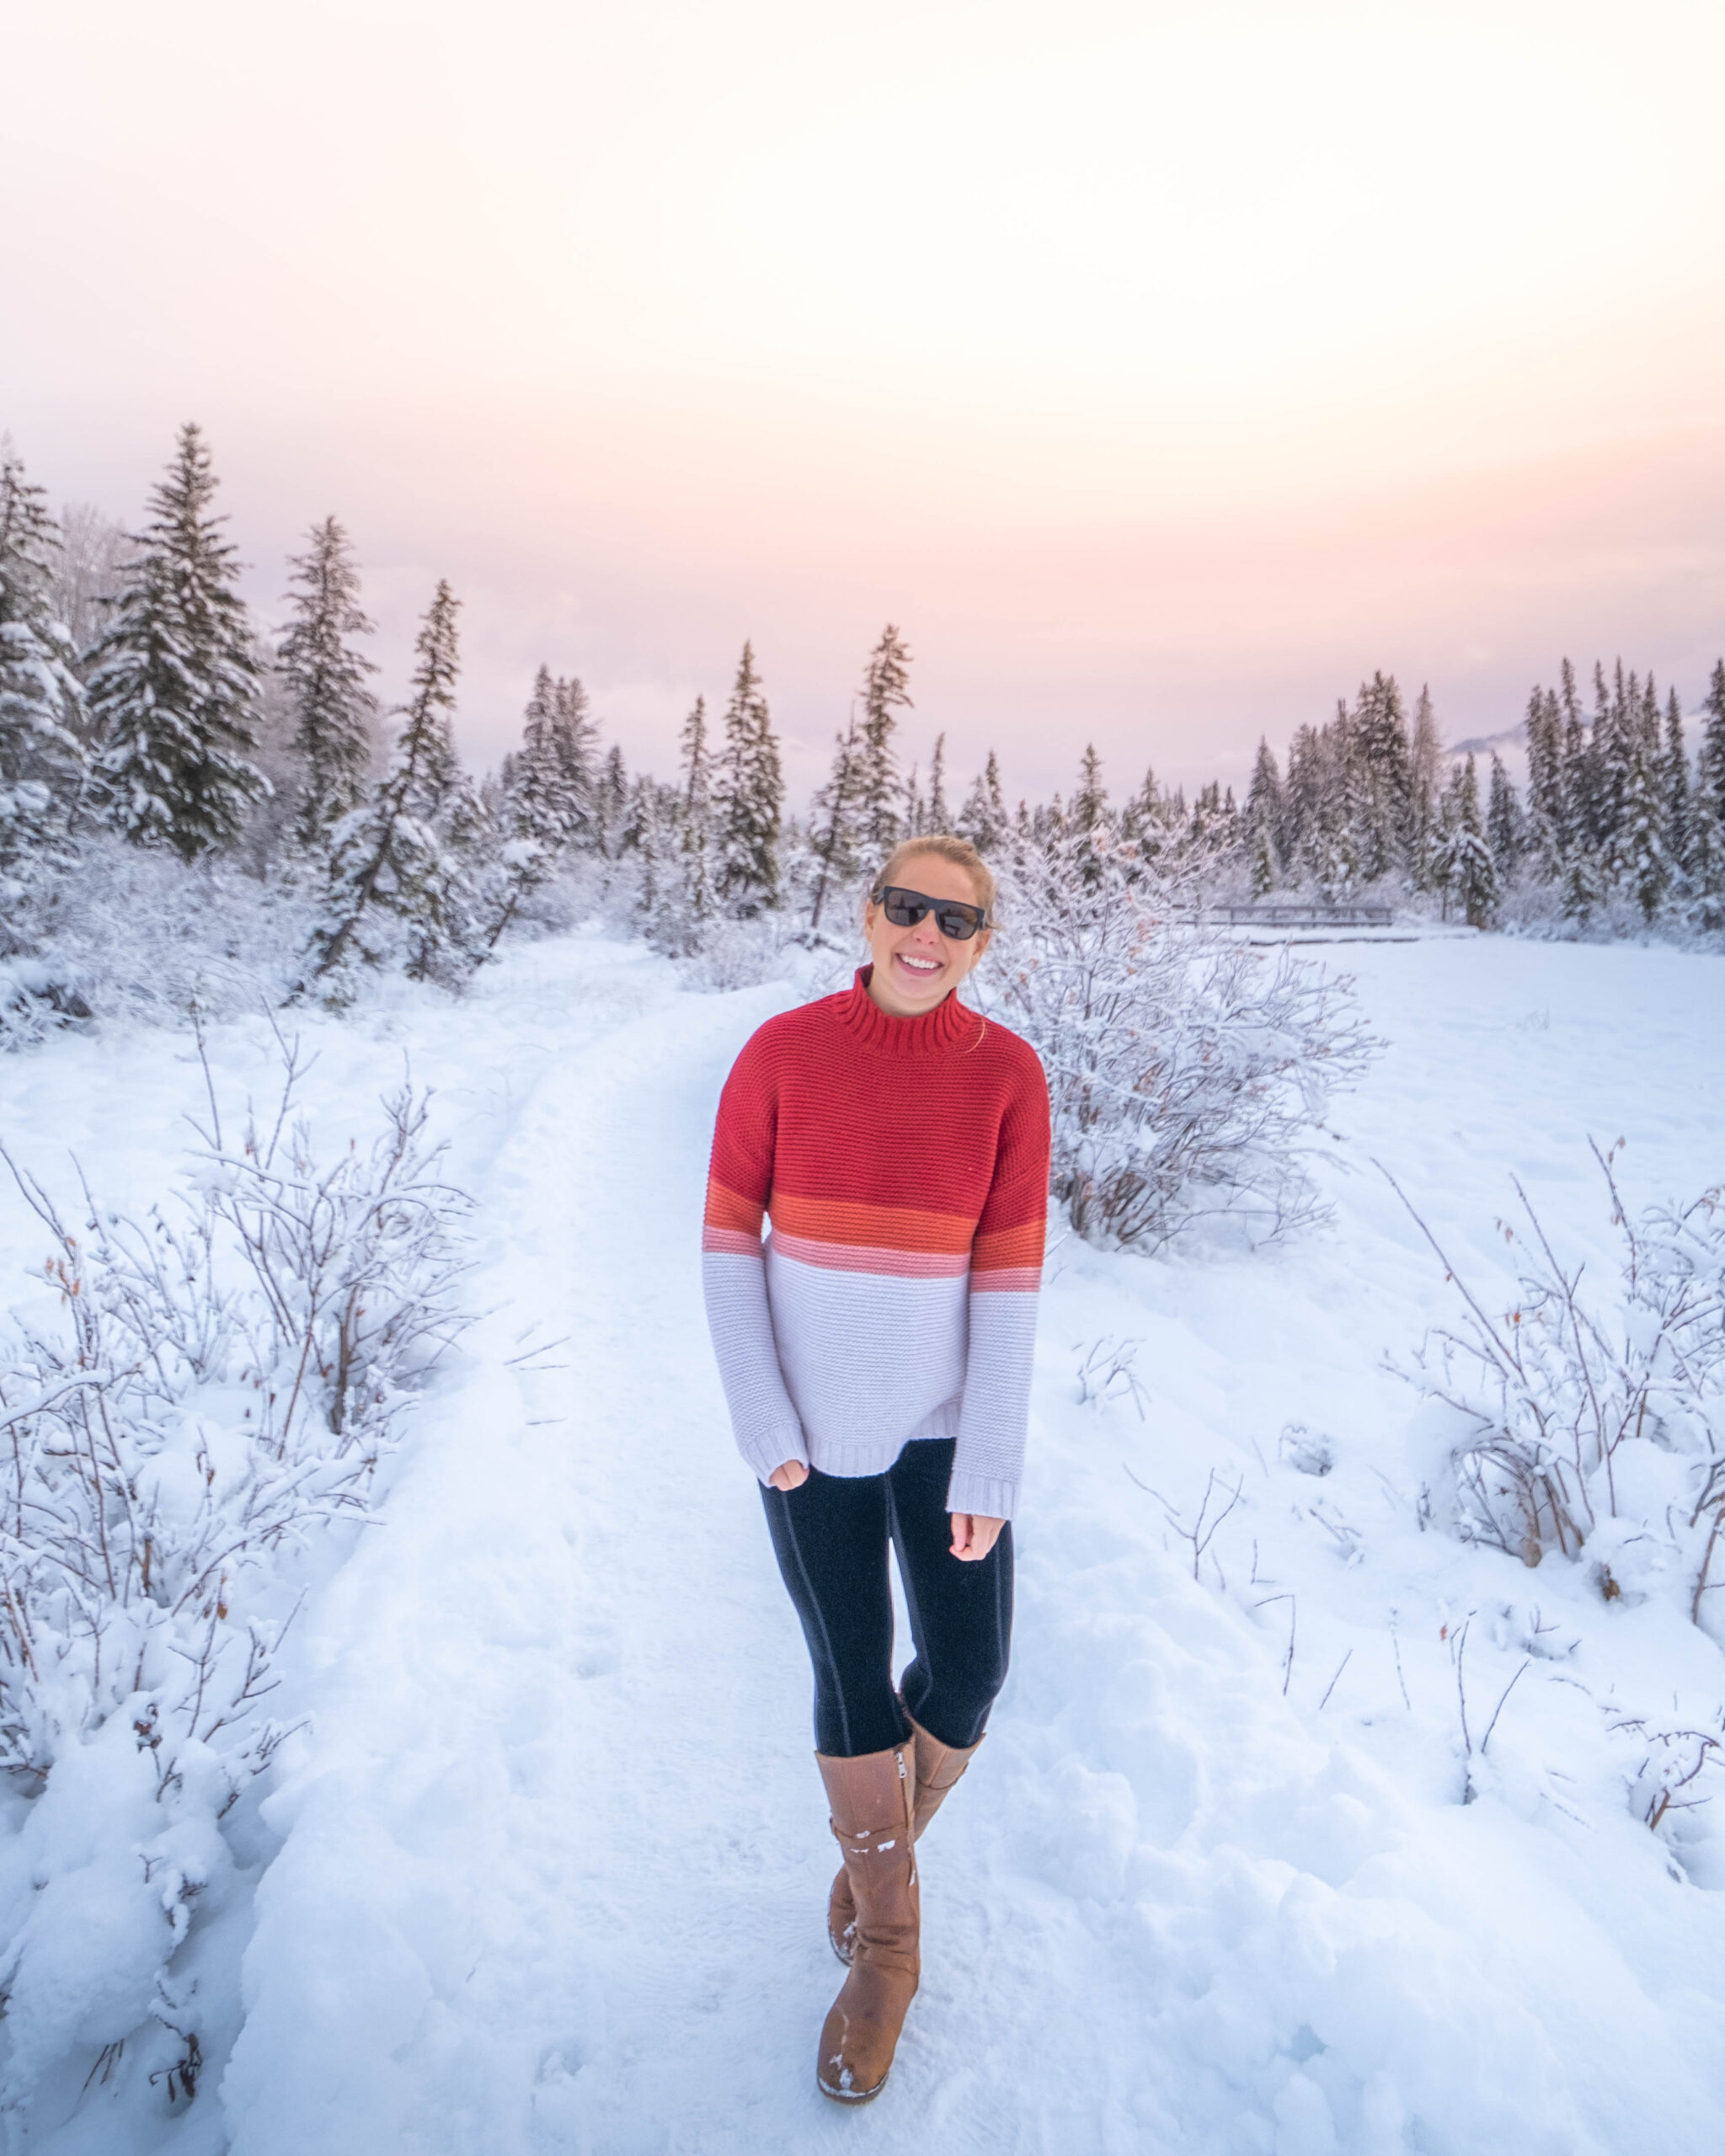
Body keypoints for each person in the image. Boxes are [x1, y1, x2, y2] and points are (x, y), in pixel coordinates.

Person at [701, 833, 1050, 2104]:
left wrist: (990, 1464)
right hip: (806, 1424)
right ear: (866, 913)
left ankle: (871, 1857)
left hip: (946, 1423)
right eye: (907, 907)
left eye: (955, 921)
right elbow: (729, 1236)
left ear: (982, 944)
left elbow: (1010, 1277)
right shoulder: (781, 1053)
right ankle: (888, 1950)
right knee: (850, 1669)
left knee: (970, 1668)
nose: (927, 936)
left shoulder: (1010, 1075)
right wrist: (762, 1416)